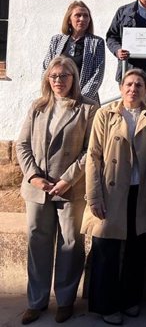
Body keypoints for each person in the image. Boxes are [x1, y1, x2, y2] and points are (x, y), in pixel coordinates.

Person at [15, 56, 97, 325]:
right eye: (54, 76)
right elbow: (22, 144)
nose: (58, 81)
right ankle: (36, 301)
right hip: (38, 189)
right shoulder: (37, 107)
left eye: (64, 76)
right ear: (47, 79)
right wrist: (34, 176)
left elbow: (90, 151)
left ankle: (65, 300)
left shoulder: (87, 109)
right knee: (38, 241)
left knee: (70, 243)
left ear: (73, 78)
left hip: (69, 188)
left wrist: (67, 179)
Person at [81, 68, 146, 325]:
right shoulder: (105, 114)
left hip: (142, 191)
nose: (133, 89)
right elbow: (93, 156)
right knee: (106, 248)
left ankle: (130, 300)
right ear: (120, 88)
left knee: (136, 250)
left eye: (139, 84)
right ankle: (106, 305)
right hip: (111, 190)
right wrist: (93, 196)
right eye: (129, 84)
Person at [43, 1, 105, 103]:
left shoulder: (97, 43)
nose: (82, 19)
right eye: (78, 15)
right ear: (69, 20)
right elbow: (47, 68)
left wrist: (79, 99)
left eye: (86, 16)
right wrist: (52, 93)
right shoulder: (56, 40)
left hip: (85, 101)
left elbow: (97, 75)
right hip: (57, 99)